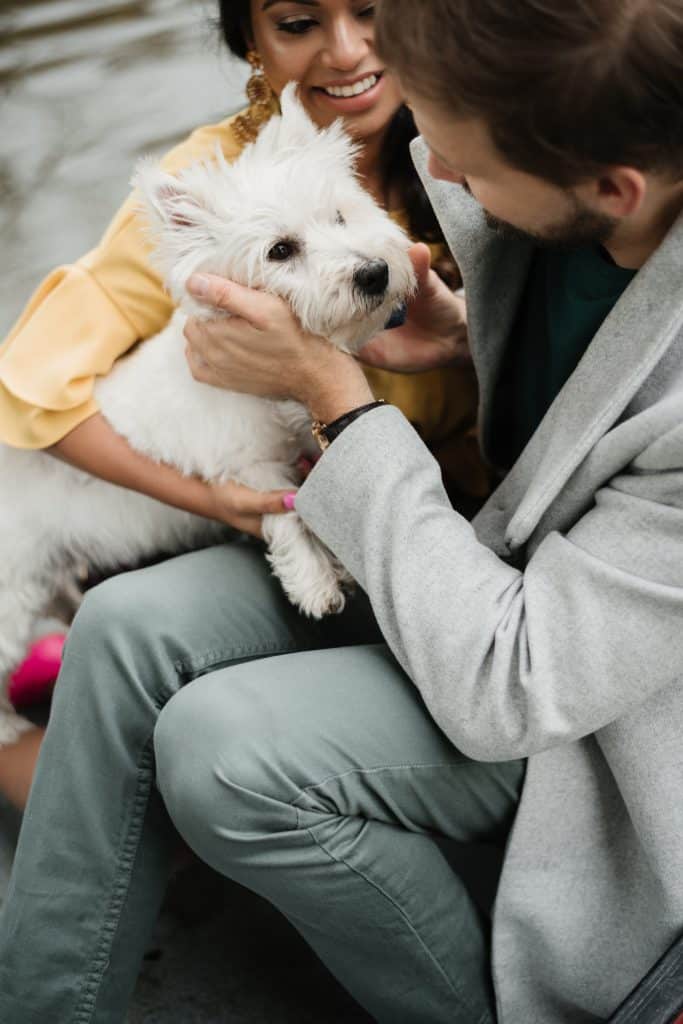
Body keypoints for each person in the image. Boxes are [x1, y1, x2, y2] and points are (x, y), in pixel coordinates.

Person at [0, 0, 681, 1021]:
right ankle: (43, 1005)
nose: (432, 183)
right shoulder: (556, 188)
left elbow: (514, 685)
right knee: (123, 621)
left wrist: (332, 394)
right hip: (466, 560)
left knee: (217, 748)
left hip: (579, 713)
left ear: (608, 188)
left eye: (465, 165)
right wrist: (455, 337)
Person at [0, 0, 488, 811]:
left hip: (446, 525)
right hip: (287, 508)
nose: (346, 50)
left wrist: (456, 338)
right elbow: (29, 391)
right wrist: (220, 503)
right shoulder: (213, 184)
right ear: (252, 44)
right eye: (298, 24)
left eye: (371, 11)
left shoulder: (486, 137)